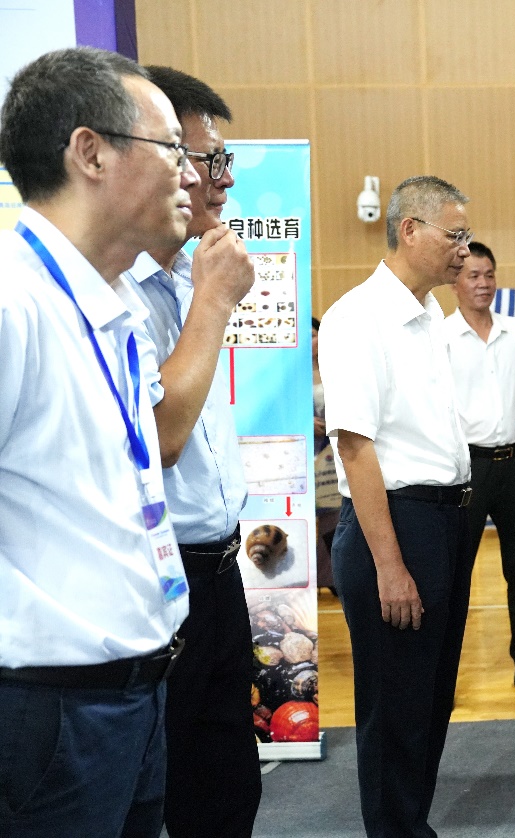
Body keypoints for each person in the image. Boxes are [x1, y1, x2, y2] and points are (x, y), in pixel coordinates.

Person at [0, 47, 197, 836]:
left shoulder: (113, 304)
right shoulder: (14, 302)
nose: (191, 174)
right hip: (47, 707)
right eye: (172, 149)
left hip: (133, 693)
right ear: (90, 152)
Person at [119, 66, 259, 838]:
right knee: (156, 795)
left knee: (228, 788)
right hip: (159, 579)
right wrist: (213, 300)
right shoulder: (120, 291)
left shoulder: (185, 277)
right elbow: (164, 439)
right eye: (209, 159)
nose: (222, 180)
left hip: (220, 572)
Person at [319, 175, 476, 837]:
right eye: (455, 235)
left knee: (430, 699)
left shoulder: (431, 313)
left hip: (444, 520)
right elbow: (356, 448)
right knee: (394, 708)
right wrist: (389, 566)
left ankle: (412, 825)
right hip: (396, 524)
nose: (464, 250)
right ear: (410, 230)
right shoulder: (358, 317)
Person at [442, 240, 515, 692]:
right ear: (456, 282)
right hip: (468, 468)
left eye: (489, 275)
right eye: (473, 276)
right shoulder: (441, 337)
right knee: (456, 573)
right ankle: (444, 671)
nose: (483, 284)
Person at [313, 316, 339, 590]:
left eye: (315, 335)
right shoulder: (292, 375)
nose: (312, 342)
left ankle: (332, 576)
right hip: (304, 451)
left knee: (333, 513)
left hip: (331, 450)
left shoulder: (336, 367)